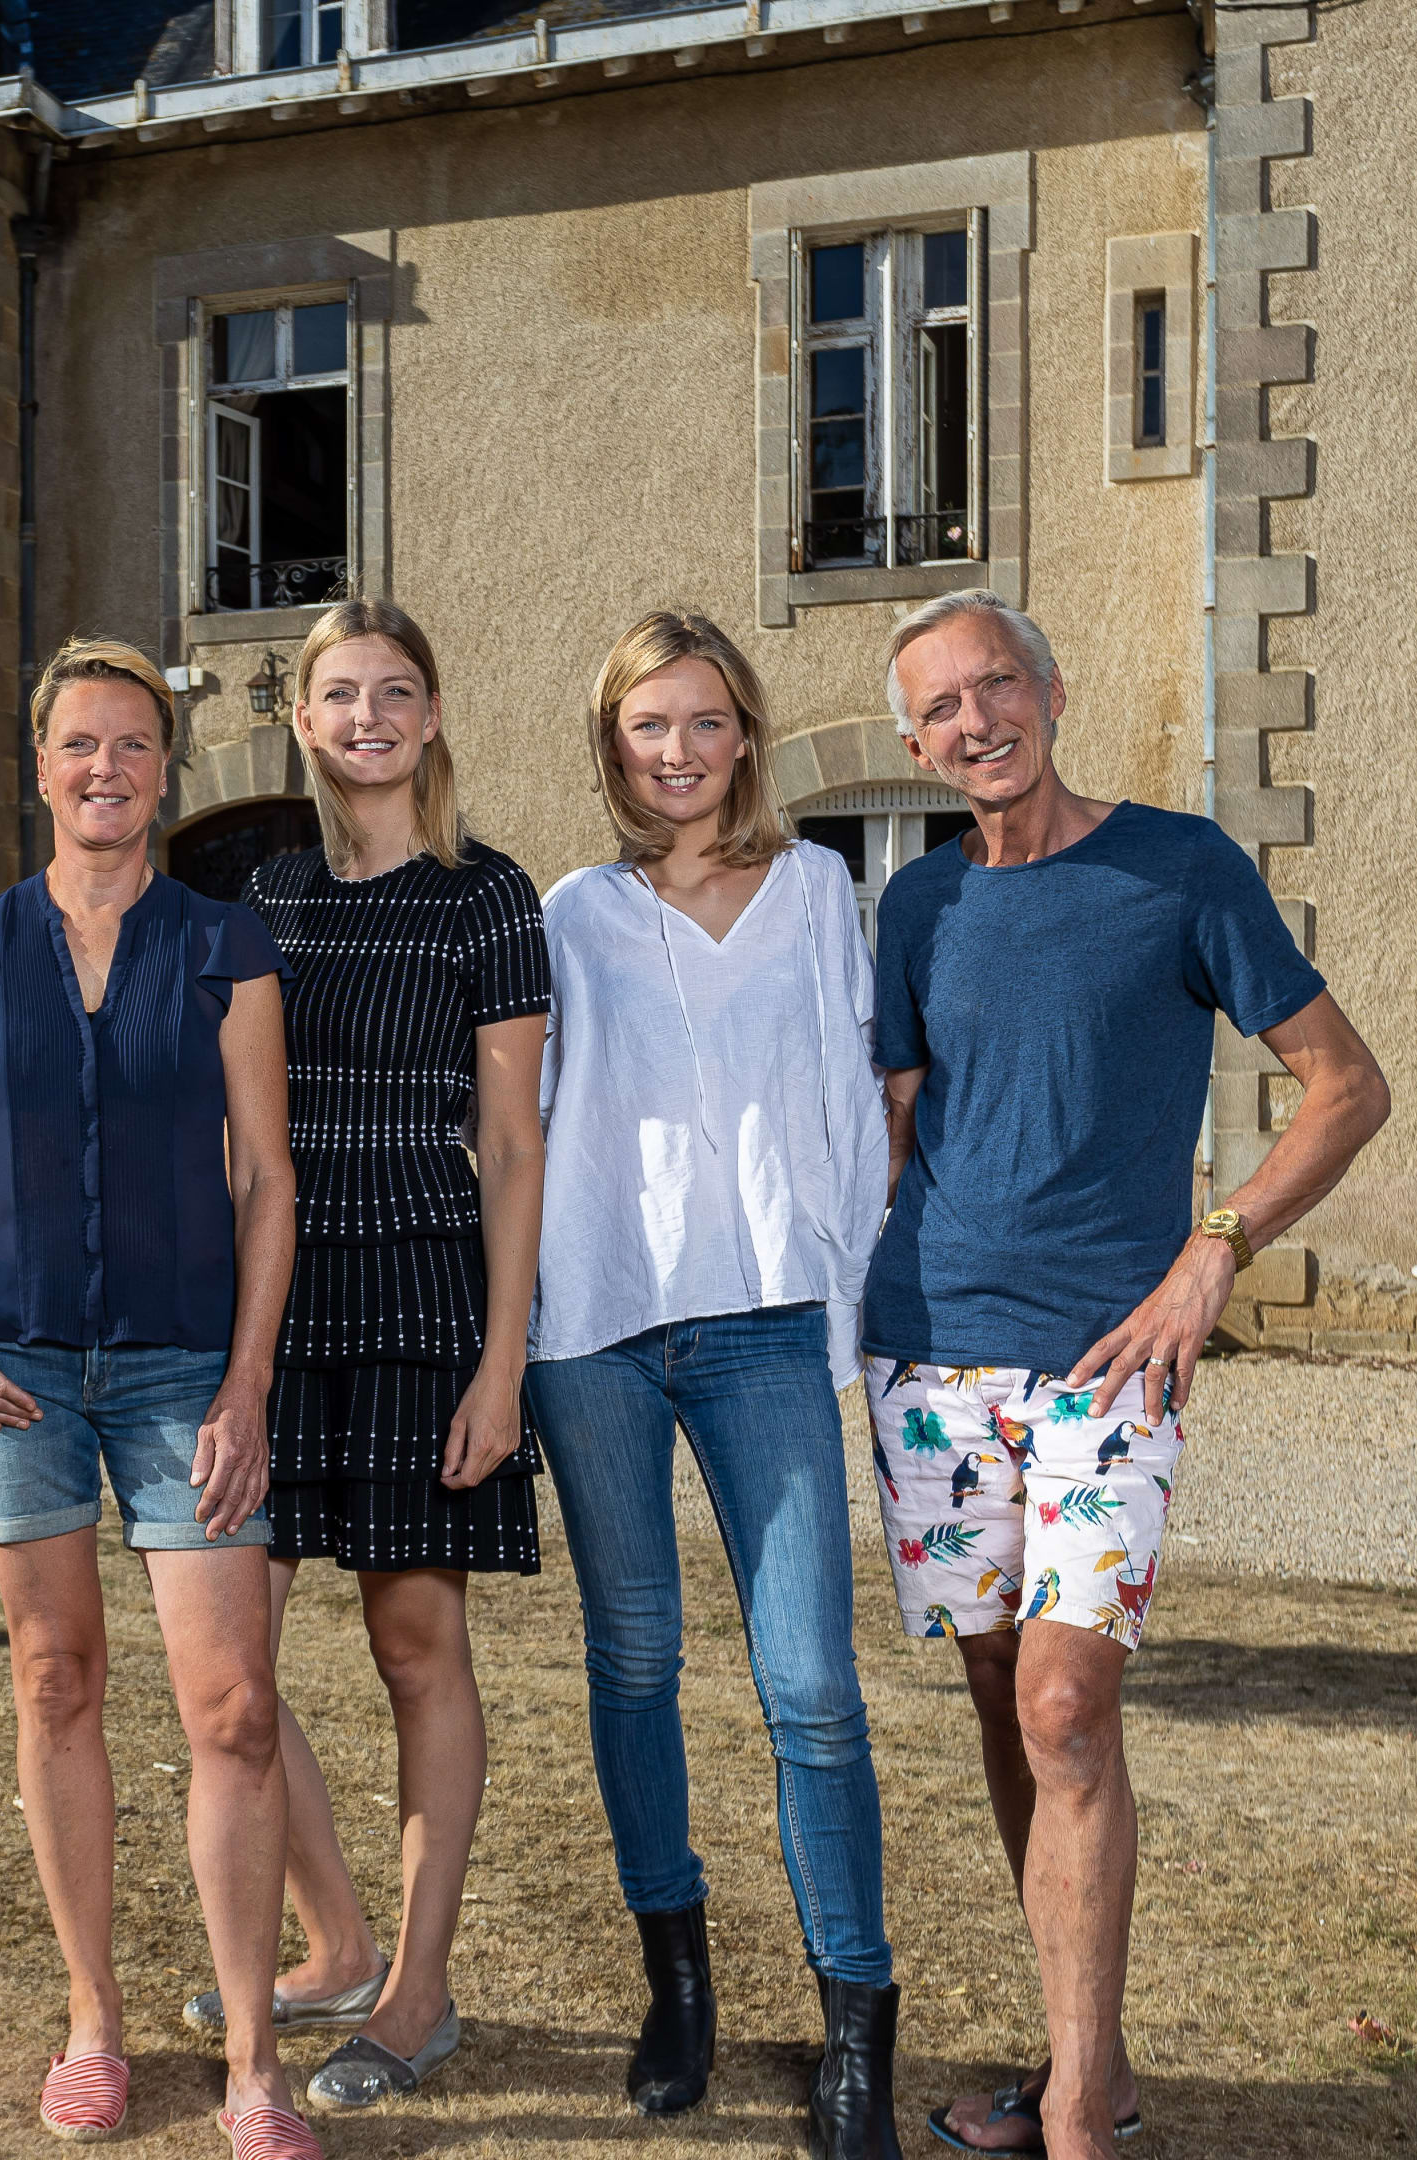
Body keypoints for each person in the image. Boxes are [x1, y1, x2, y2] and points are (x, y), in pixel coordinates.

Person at [860, 590, 1388, 2160]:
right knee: (1006, 1707)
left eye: (996, 687)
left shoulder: (1179, 868)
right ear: (913, 743)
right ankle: (1083, 2050)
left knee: (1070, 1705)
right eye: (942, 709)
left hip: (1109, 1361)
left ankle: (1082, 2107)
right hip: (930, 1352)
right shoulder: (916, 906)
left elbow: (1346, 1089)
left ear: (1053, 687)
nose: (976, 723)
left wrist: (1212, 1252)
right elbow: (893, 1130)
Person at [0, 637, 321, 2159]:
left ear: (163, 768)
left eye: (133, 746)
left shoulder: (227, 947)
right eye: (80, 744)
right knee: (54, 1681)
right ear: (41, 765)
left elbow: (269, 1176)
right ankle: (94, 2020)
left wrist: (252, 1376)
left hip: (184, 1365)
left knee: (236, 1705)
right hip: (15, 1369)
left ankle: (255, 2062)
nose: (106, 769)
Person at [526, 607, 903, 2154]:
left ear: (744, 733)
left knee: (811, 1685)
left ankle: (857, 2035)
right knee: (635, 1664)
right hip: (598, 1323)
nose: (676, 752)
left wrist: (855, 1317)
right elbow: (523, 1121)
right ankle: (674, 1983)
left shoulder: (819, 891)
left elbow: (861, 1104)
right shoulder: (569, 911)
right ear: (613, 746)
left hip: (765, 1320)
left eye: (701, 721)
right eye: (645, 726)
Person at [187, 598, 546, 2112]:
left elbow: (517, 1144)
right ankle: (327, 1936)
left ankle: (416, 1989)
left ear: (434, 714)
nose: (371, 716)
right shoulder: (259, 895)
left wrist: (503, 1364)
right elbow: (228, 1129)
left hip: (423, 1284)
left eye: (398, 691)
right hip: (278, 1290)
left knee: (417, 1650)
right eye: (343, 693)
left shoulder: (489, 897)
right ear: (306, 719)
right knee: (231, 1662)